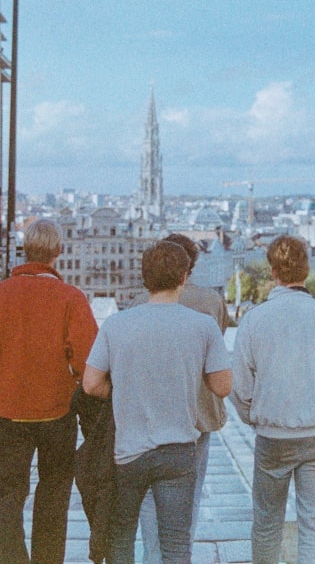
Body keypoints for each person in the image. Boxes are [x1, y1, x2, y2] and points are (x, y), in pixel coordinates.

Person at [83, 240, 232, 563]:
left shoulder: (117, 324)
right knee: (176, 542)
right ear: (183, 277)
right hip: (178, 449)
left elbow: (91, 383)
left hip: (129, 450)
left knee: (122, 535)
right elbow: (223, 386)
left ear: (144, 279)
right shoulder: (202, 326)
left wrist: (122, 389)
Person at [0, 219, 98, 564]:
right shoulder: (71, 297)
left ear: (25, 251)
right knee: (54, 493)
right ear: (58, 252)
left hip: (9, 412)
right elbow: (88, 361)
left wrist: (1, 375)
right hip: (57, 410)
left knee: (7, 496)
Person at [230, 235, 315, 564]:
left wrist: (252, 416)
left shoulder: (254, 319)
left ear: (273, 272)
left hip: (273, 434)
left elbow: (240, 383)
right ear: (307, 269)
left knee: (266, 522)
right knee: (314, 523)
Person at [131, 233, 229, 564]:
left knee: (148, 496)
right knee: (190, 493)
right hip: (197, 410)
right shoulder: (211, 302)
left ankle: (152, 555)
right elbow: (217, 351)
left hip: (150, 412)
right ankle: (180, 553)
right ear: (189, 268)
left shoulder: (137, 303)